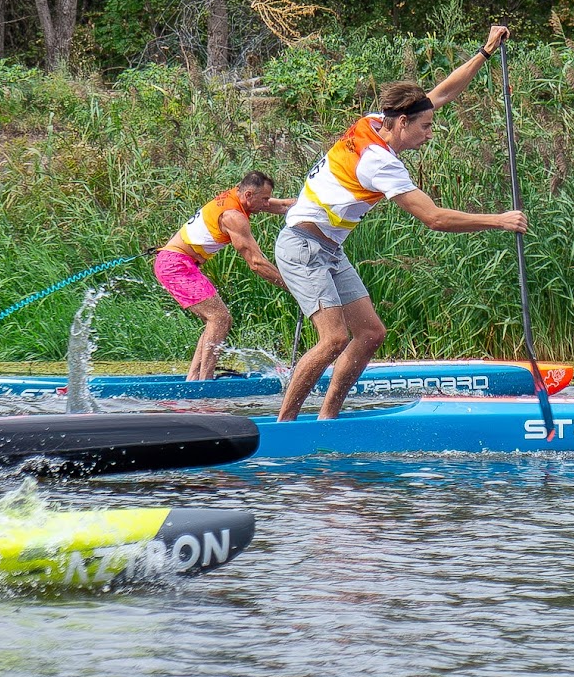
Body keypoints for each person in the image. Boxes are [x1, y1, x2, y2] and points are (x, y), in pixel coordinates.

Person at [275, 25, 527, 422]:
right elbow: (435, 219)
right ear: (403, 124)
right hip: (302, 246)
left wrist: (485, 51)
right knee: (334, 338)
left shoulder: (375, 121)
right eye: (425, 127)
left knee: (371, 334)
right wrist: (498, 220)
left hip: (328, 248)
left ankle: (327, 420)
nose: (430, 133)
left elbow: (439, 94)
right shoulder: (380, 164)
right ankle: (284, 426)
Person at [154, 171, 292, 381]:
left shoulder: (238, 196)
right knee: (219, 318)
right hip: (175, 264)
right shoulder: (233, 216)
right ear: (248, 195)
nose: (266, 204)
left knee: (216, 320)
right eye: (263, 199)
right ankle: (205, 382)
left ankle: (194, 379)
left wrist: (317, 204)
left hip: (179, 263)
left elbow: (282, 205)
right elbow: (256, 263)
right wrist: (293, 285)